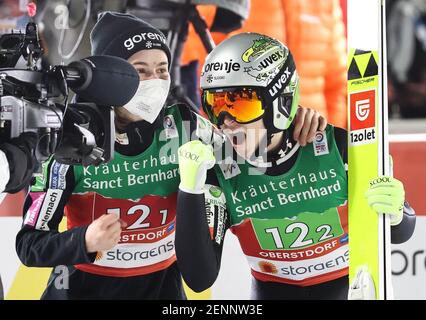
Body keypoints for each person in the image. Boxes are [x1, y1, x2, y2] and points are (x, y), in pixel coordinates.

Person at [14, 12, 324, 300]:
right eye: (139, 71)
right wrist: (83, 243)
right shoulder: (74, 139)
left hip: (163, 293)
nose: (155, 82)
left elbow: (249, 158)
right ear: (110, 77)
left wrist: (288, 122)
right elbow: (29, 245)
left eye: (162, 70)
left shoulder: (185, 125)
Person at [175, 32, 416, 299]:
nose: (226, 120)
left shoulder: (336, 146)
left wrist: (395, 212)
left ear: (280, 101)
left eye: (242, 105)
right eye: (215, 104)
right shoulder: (219, 169)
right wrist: (190, 191)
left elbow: (401, 232)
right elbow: (199, 278)